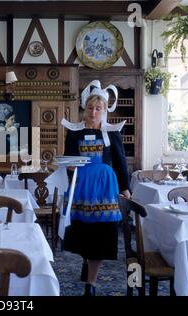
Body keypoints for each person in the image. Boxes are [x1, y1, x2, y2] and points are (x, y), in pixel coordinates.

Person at [62, 80, 131, 296]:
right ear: (85, 108)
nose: (93, 112)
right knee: (82, 232)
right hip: (81, 187)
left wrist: (126, 188)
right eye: (90, 107)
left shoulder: (112, 133)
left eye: (98, 108)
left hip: (105, 188)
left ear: (104, 110)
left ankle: (91, 282)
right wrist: (70, 167)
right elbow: (68, 161)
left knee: (101, 232)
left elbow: (120, 162)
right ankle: (85, 259)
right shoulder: (74, 132)